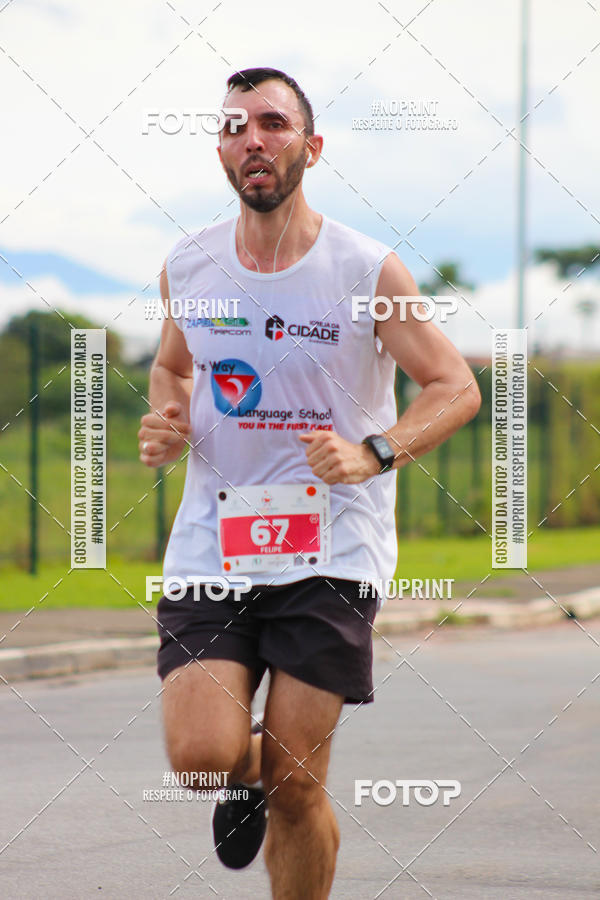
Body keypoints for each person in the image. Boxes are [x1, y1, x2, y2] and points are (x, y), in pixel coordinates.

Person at [138, 66, 481, 899]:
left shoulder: (366, 270)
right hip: (213, 543)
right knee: (200, 763)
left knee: (297, 787)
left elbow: (454, 385)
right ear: (222, 152)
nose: (252, 138)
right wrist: (168, 416)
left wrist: (377, 450)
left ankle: (282, 791)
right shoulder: (189, 266)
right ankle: (254, 774)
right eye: (233, 126)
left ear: (310, 146)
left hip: (331, 547)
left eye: (273, 123)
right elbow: (171, 367)